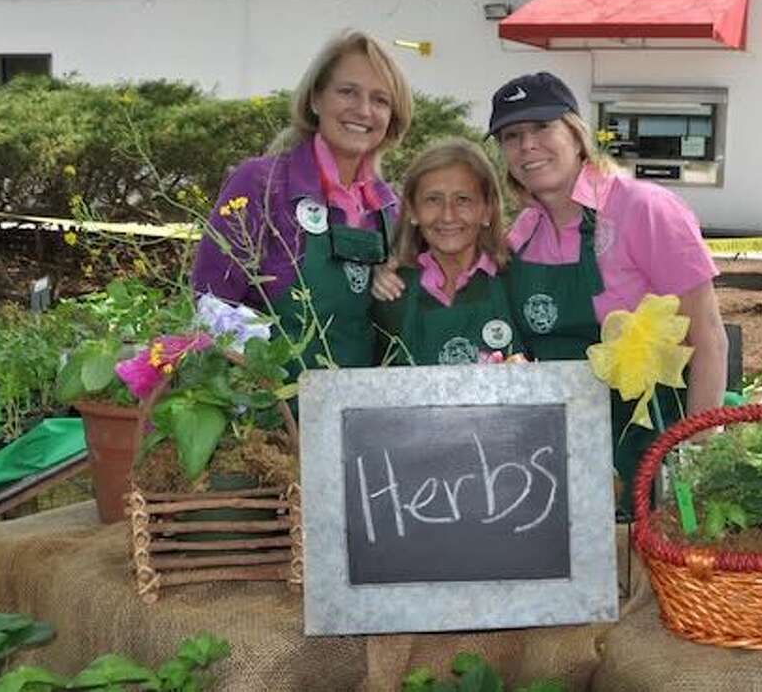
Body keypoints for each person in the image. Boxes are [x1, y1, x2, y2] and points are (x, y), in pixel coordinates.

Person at [377, 71, 727, 516]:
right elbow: (458, 261)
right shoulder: (523, 233)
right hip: (566, 456)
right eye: (512, 135)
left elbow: (710, 339)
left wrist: (695, 455)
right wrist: (391, 270)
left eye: (542, 127)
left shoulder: (645, 209)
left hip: (651, 438)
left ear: (576, 134)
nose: (527, 146)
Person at [192, 30, 412, 372]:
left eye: (381, 100)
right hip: (268, 415)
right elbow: (210, 305)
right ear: (315, 99)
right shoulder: (261, 185)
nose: (364, 110)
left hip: (356, 417)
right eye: (347, 91)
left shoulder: (391, 210)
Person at [372, 139, 524, 366]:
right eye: (433, 200)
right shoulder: (391, 292)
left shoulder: (517, 280)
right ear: (412, 210)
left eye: (463, 200)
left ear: (487, 211)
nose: (448, 216)